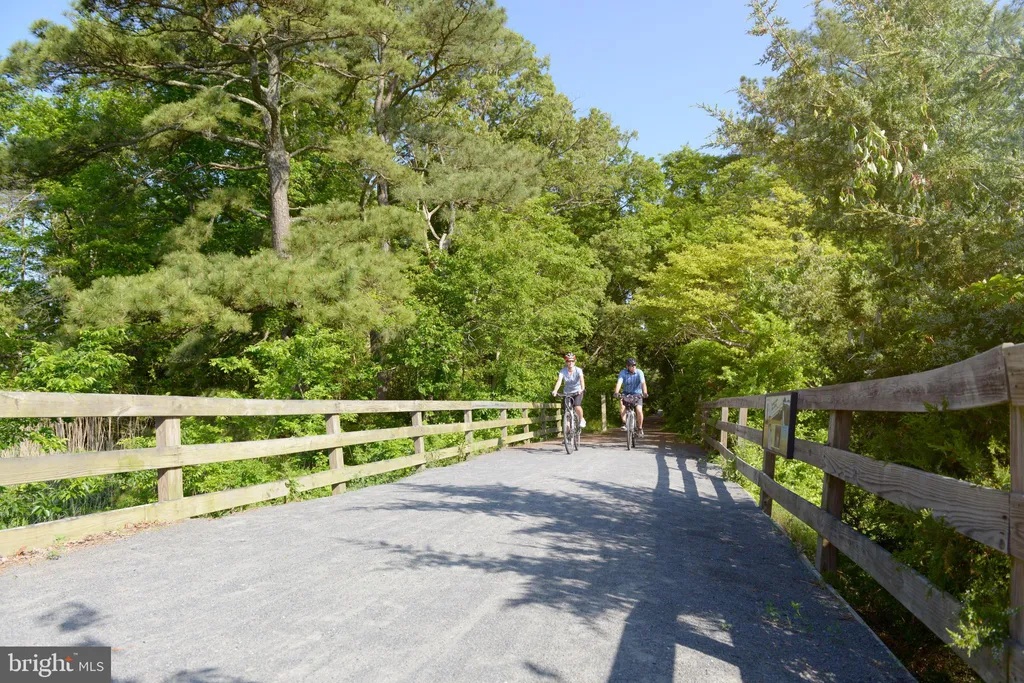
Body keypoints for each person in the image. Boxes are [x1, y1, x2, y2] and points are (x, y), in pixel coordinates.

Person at [551, 353, 586, 431]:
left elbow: (581, 380)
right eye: (568, 361)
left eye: (572, 361)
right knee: (567, 412)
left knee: (577, 406)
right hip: (567, 393)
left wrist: (582, 389)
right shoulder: (563, 371)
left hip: (577, 392)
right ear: (566, 362)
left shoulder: (578, 370)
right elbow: (559, 381)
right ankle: (568, 433)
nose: (570, 363)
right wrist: (555, 390)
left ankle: (581, 419)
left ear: (574, 361)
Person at [613, 358, 648, 436]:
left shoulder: (639, 372)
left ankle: (640, 428)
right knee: (622, 405)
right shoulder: (623, 372)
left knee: (639, 410)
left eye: (635, 365)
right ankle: (624, 423)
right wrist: (616, 392)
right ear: (627, 366)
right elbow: (619, 383)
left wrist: (645, 393)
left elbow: (643, 383)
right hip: (626, 394)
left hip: (637, 394)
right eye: (632, 366)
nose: (633, 367)